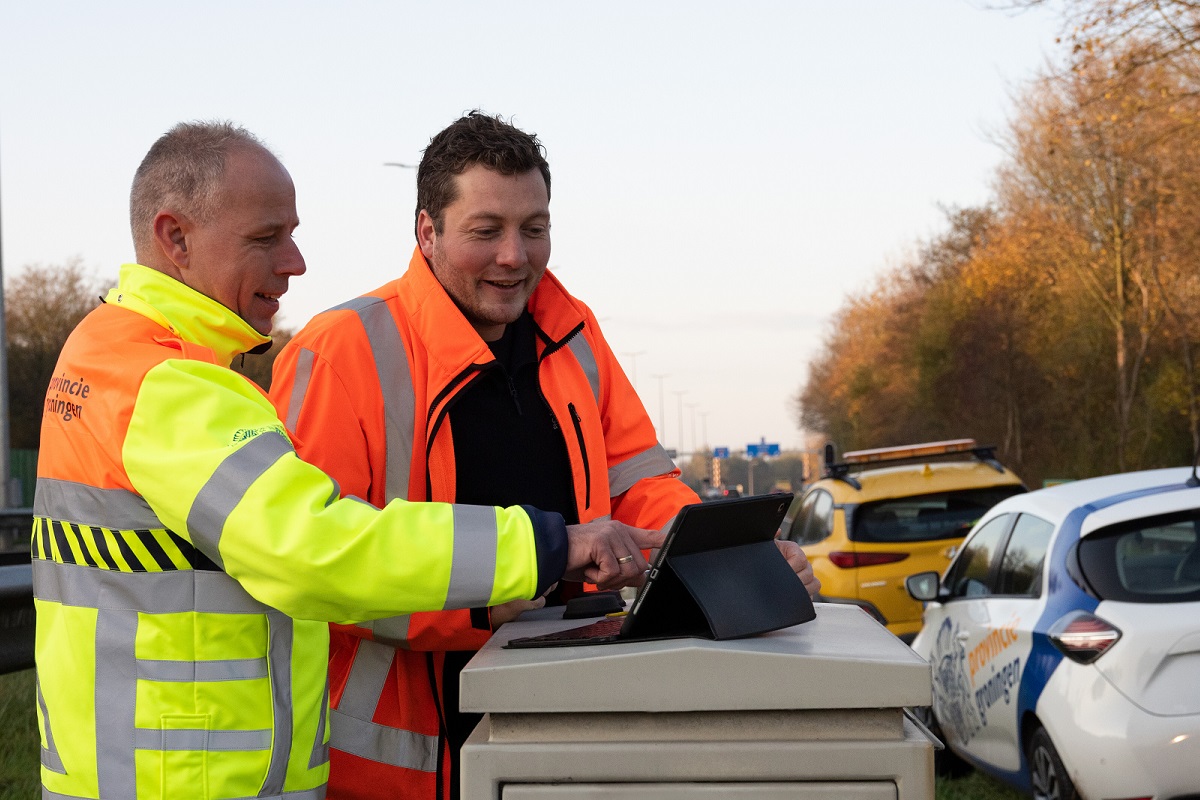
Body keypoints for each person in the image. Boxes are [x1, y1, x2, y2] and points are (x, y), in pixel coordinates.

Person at [30, 120, 661, 800]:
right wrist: (549, 544)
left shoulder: (107, 352)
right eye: (266, 238)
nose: (295, 262)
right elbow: (319, 545)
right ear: (175, 237)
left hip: (151, 768)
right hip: (190, 779)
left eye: (532, 227)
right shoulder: (172, 386)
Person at [269, 111, 820, 800]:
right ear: (427, 232)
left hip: (565, 730)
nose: (514, 256)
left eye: (535, 229)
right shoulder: (341, 350)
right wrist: (489, 597)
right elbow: (315, 563)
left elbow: (642, 483)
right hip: (392, 766)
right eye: (486, 231)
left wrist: (726, 558)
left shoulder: (573, 332)